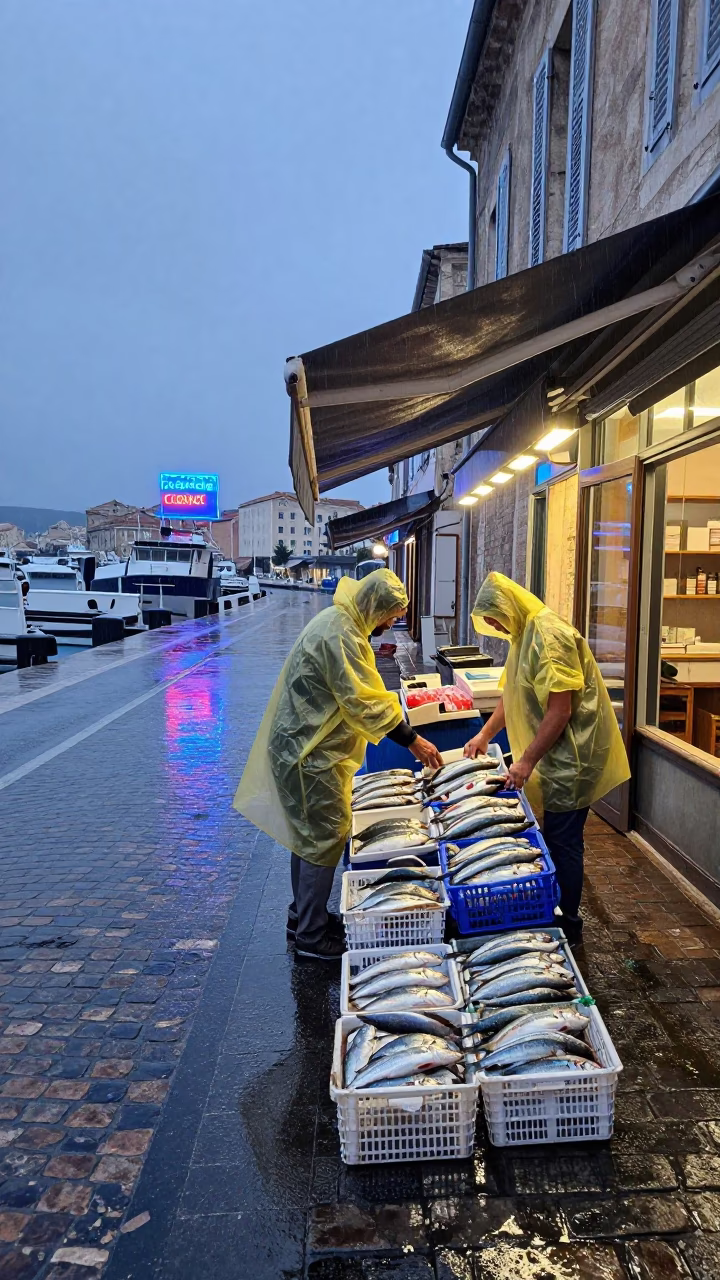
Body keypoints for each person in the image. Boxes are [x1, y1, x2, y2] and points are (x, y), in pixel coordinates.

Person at [234, 569, 443, 960]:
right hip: (311, 756)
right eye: (391, 615)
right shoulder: (342, 634)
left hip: (305, 749)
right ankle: (312, 938)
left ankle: (304, 916)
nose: (391, 623)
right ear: (375, 606)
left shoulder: (341, 623)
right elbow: (363, 700)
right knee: (322, 839)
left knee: (309, 838)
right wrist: (412, 740)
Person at [463, 572, 629, 943]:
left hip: (572, 757)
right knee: (555, 836)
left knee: (564, 840)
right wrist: (484, 734)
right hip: (552, 758)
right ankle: (555, 908)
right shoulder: (523, 634)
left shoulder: (549, 636)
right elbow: (511, 693)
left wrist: (526, 761)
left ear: (508, 607)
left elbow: (560, 711)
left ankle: (569, 922)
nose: (491, 625)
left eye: (493, 617)